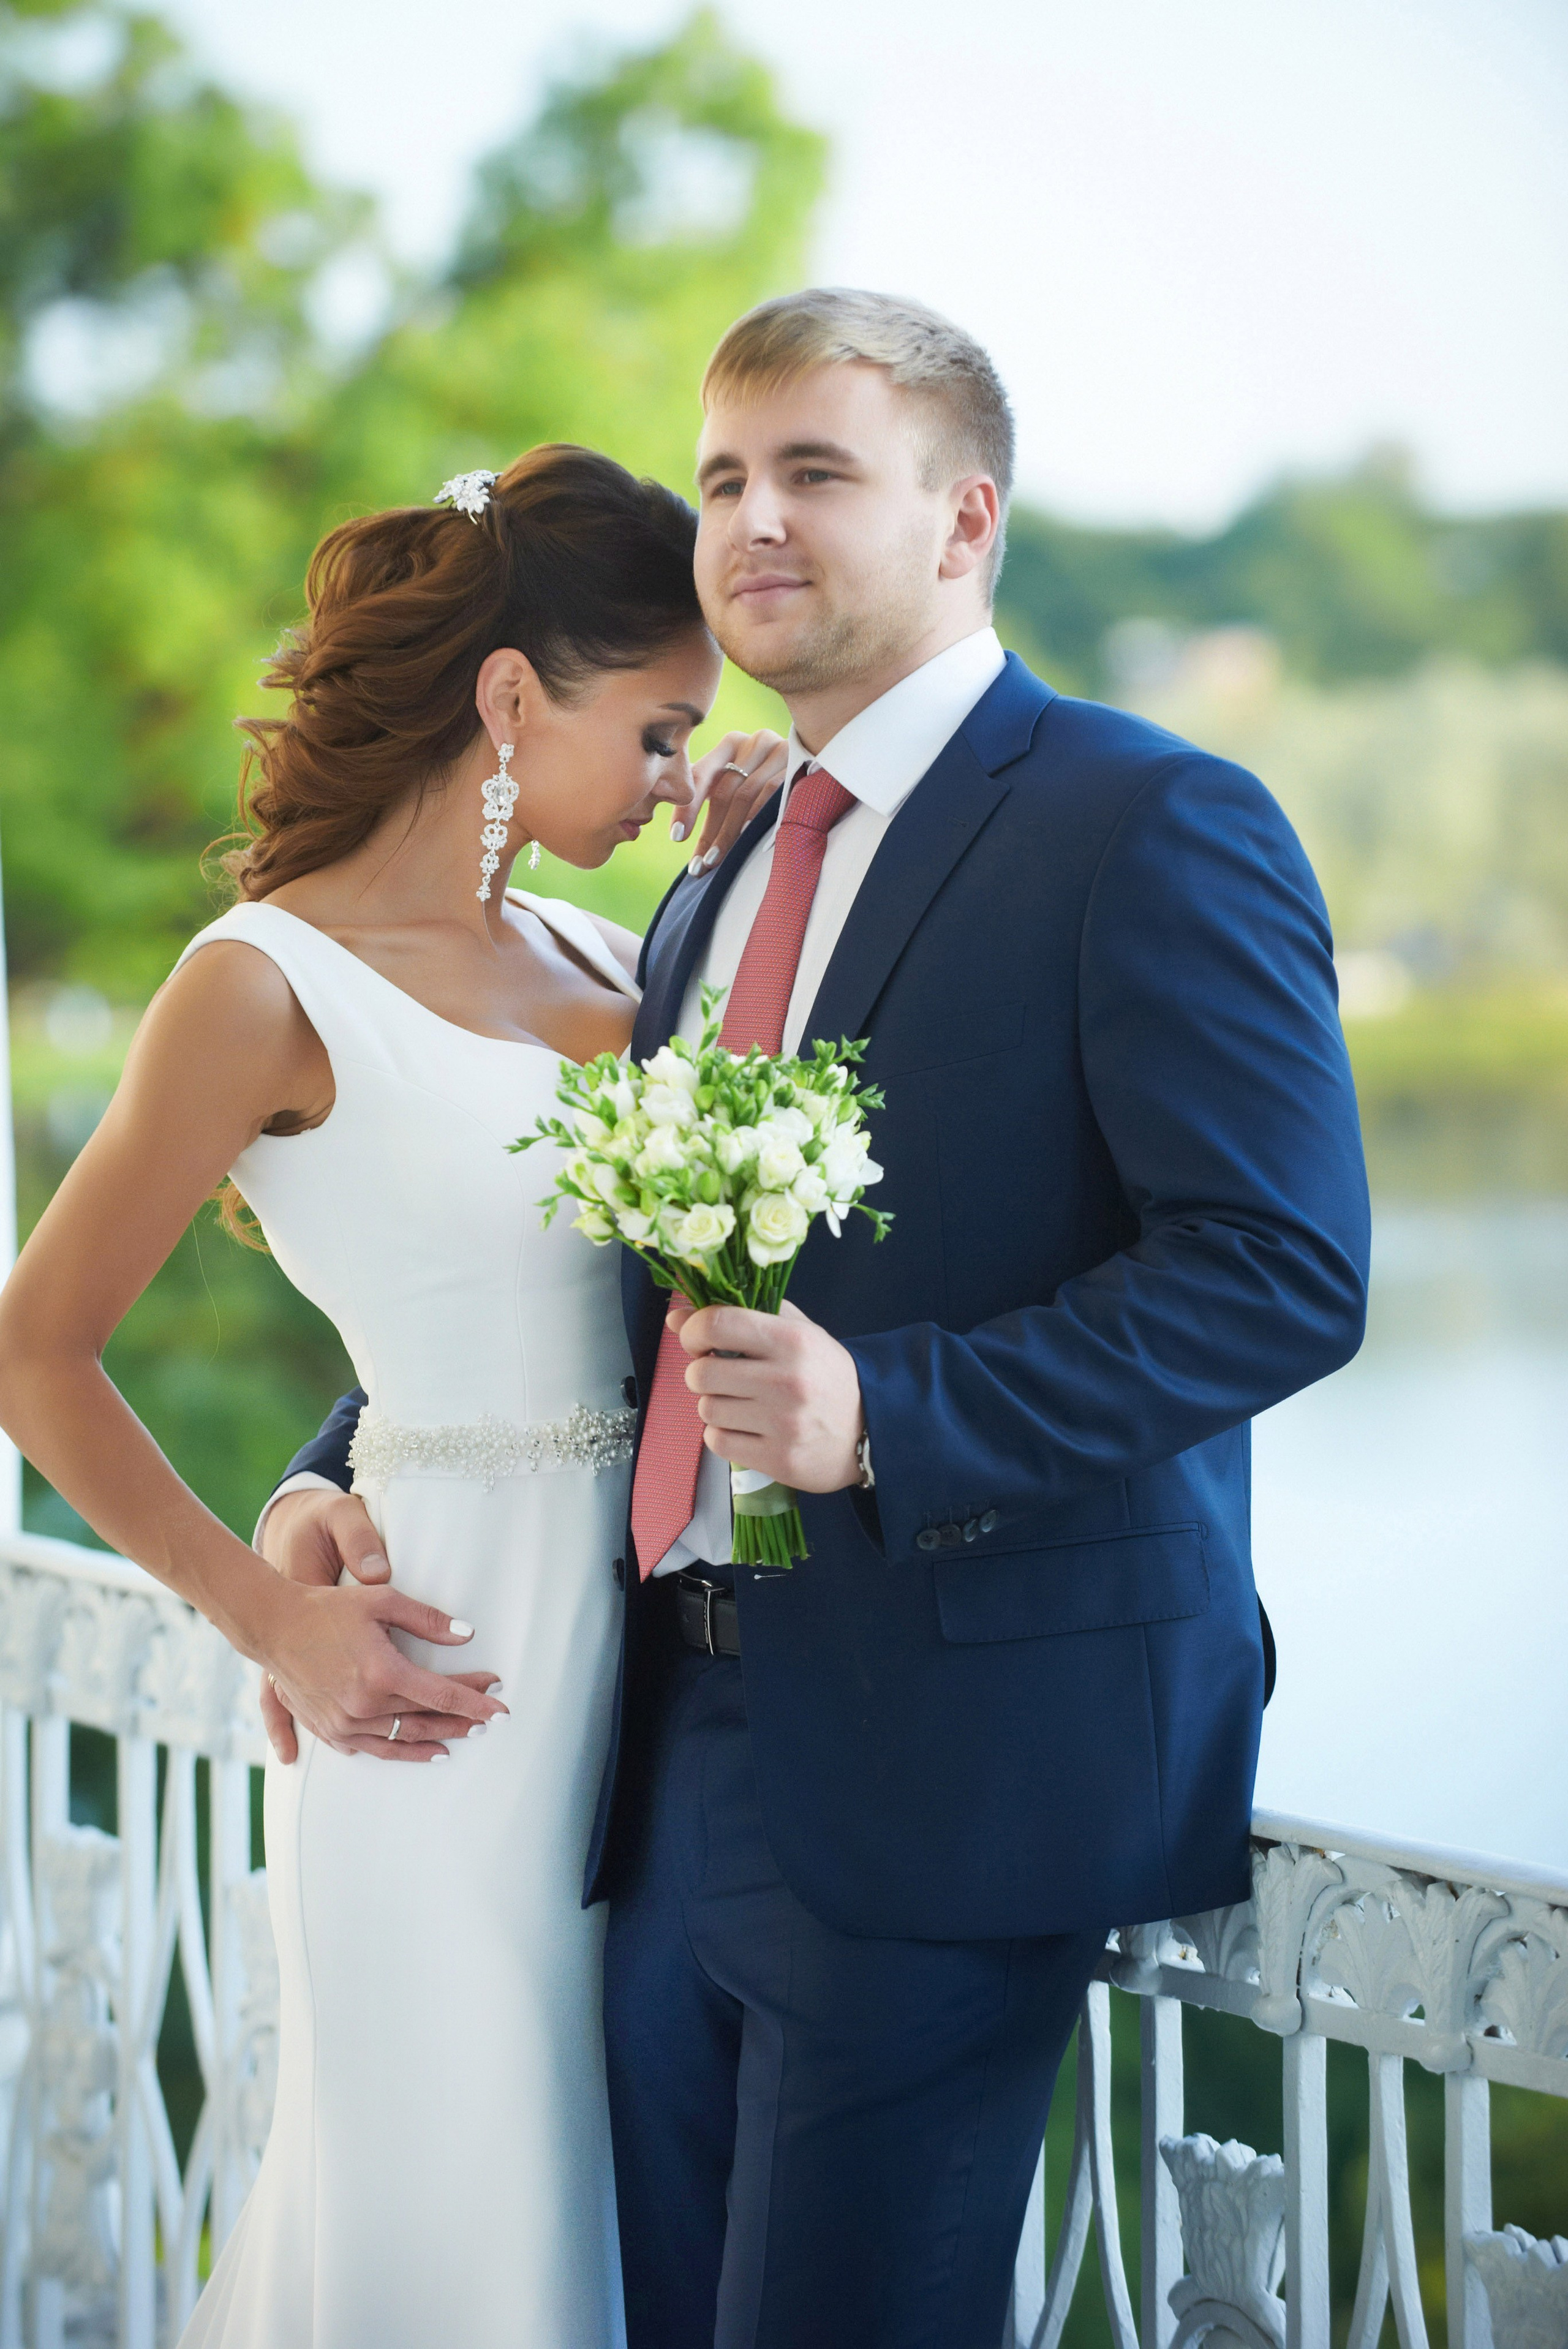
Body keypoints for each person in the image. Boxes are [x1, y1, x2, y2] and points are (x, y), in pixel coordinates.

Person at [265, 291, 1371, 2349]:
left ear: (965, 520)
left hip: (955, 1769)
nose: (752, 520)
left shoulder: (1147, 819)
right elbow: (596, 1272)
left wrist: (894, 1414)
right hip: (645, 1753)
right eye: (722, 479)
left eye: (816, 472)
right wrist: (329, 1475)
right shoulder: (715, 872)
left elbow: (1283, 1267)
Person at [0, 442, 786, 2346]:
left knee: (607, 2236)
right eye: (660, 727)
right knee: (462, 2230)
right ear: (512, 695)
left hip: (654, 1705)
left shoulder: (621, 948)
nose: (676, 771)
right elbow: (33, 1349)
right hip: (439, 1697)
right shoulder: (262, 982)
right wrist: (267, 1603)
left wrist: (749, 882)